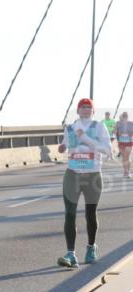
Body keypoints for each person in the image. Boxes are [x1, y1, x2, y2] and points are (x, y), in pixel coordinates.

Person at [56, 98, 113, 268]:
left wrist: (86, 138)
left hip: (93, 176)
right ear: (78, 110)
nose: (86, 110)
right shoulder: (71, 128)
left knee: (90, 214)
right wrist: (62, 147)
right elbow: (66, 143)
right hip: (72, 174)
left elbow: (107, 151)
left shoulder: (99, 127)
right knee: (70, 214)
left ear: (93, 111)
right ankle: (71, 254)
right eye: (83, 107)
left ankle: (91, 246)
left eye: (89, 107)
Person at [116, 111, 132, 179]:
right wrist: (118, 132)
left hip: (129, 142)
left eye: (126, 116)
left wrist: (130, 133)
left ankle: (128, 172)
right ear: (122, 117)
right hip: (121, 142)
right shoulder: (119, 124)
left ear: (127, 117)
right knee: (124, 158)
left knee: (127, 157)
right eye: (124, 116)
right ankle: (125, 171)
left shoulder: (131, 123)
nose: (125, 118)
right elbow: (114, 131)